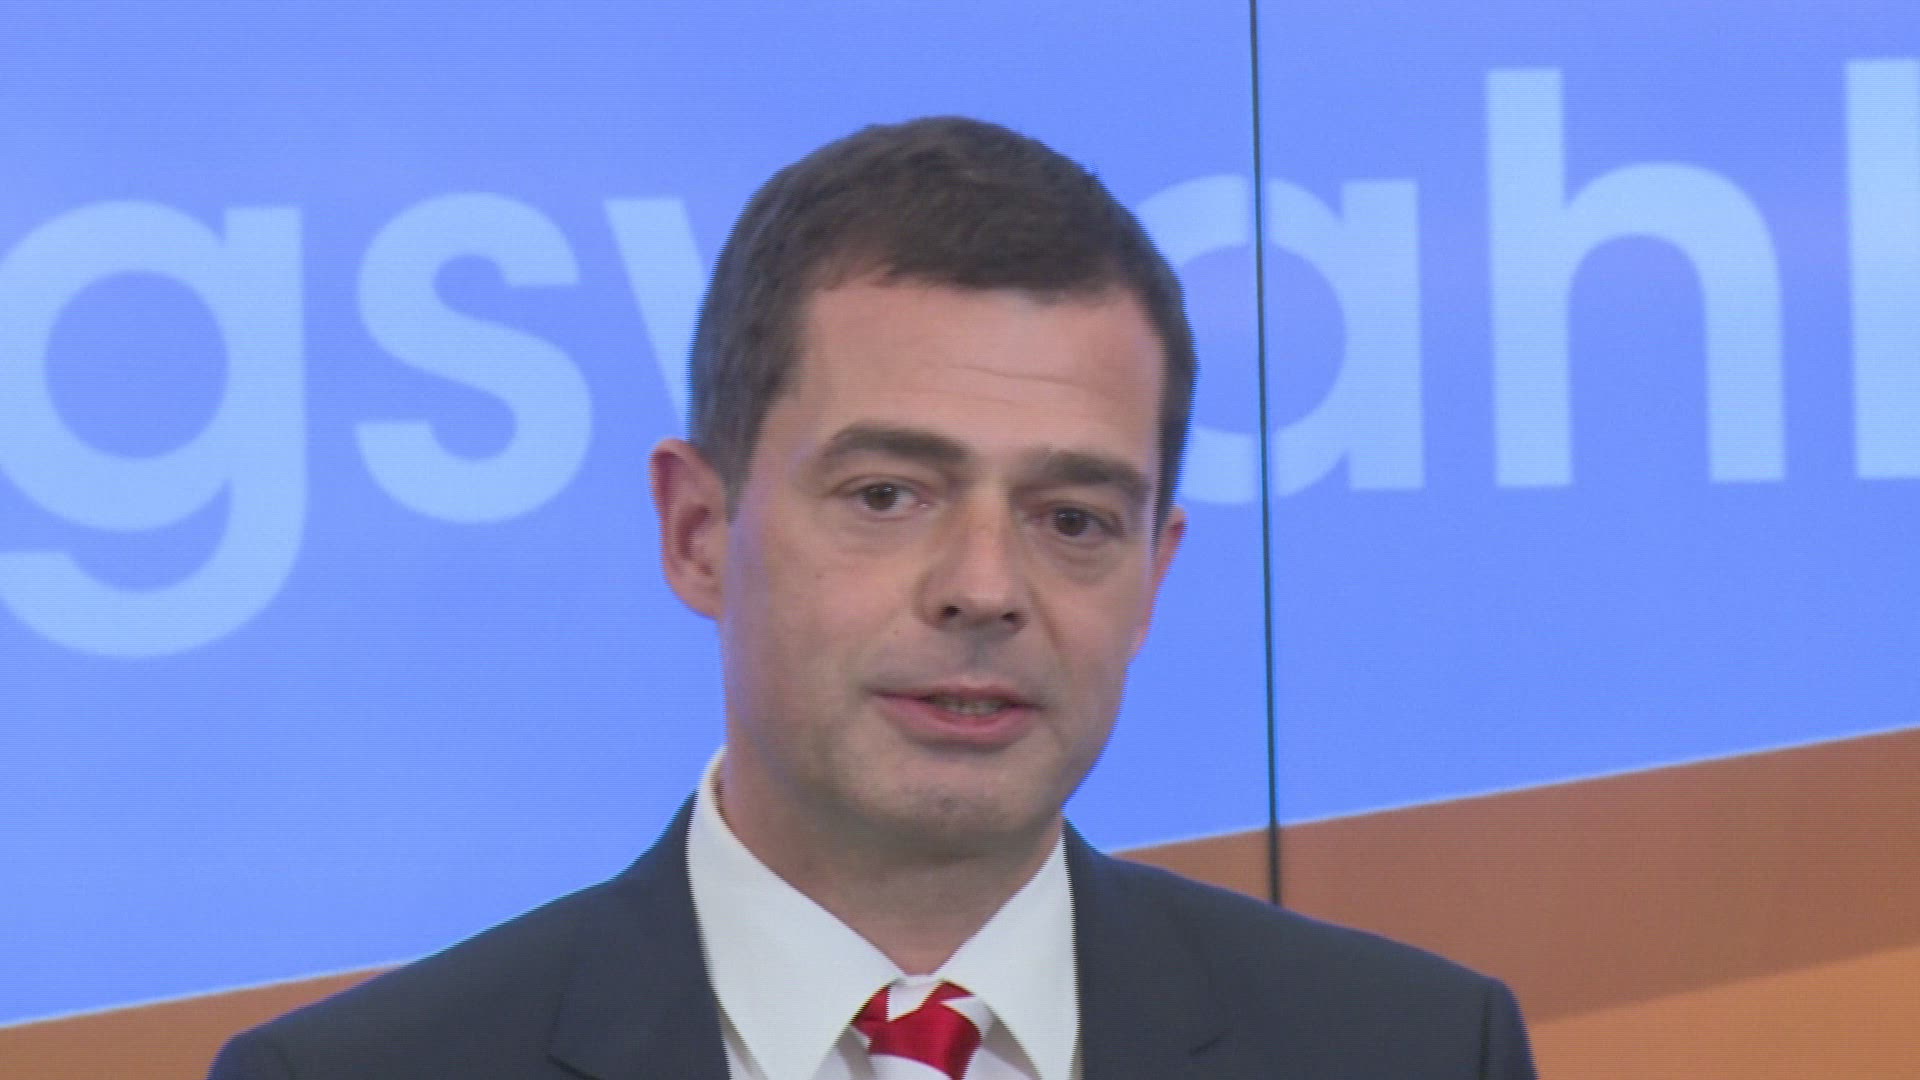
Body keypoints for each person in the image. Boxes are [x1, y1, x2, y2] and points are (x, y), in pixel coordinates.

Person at [209, 116, 1535, 1080]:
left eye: (1072, 519)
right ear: (697, 532)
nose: (984, 589)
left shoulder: (1414, 1052)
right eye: (888, 494)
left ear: (1153, 578)